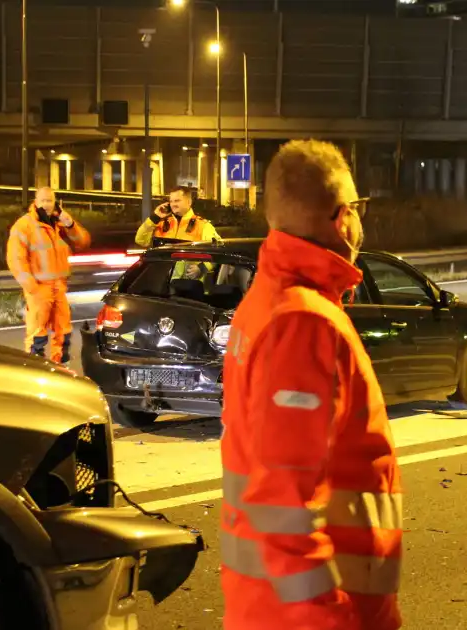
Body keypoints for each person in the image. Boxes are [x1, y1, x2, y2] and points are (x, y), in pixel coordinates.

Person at [219, 139, 401, 630]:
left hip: (271, 608)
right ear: (342, 217)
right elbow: (282, 502)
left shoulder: (267, 301)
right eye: (358, 209)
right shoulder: (304, 322)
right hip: (304, 616)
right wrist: (328, 618)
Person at [6, 187, 90, 366]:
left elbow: (83, 242)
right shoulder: (24, 225)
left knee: (64, 330)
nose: (46, 204)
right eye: (43, 201)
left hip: (59, 287)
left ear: (55, 202)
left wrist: (70, 224)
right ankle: (35, 368)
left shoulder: (59, 223)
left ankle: (60, 366)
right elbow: (16, 258)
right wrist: (31, 287)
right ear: (35, 202)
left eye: (50, 200)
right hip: (39, 288)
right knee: (37, 334)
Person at [134, 185, 220, 248]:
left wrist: (201, 267)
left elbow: (218, 250)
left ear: (189, 202)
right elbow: (141, 240)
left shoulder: (203, 226)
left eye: (177, 201)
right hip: (163, 272)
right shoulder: (161, 223)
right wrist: (155, 217)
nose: (173, 204)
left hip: (188, 273)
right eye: (171, 201)